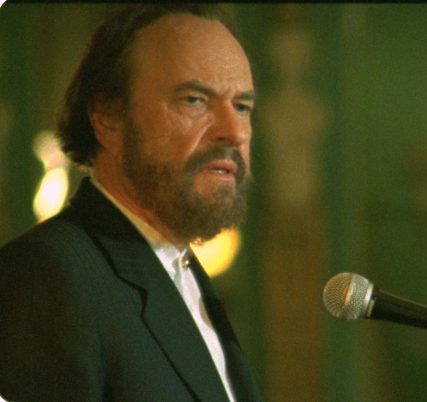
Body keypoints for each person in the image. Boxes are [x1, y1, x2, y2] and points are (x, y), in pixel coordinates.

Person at [0, 4, 262, 402]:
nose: (233, 132)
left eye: (242, 106)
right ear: (108, 117)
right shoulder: (48, 274)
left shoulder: (183, 270)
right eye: (194, 100)